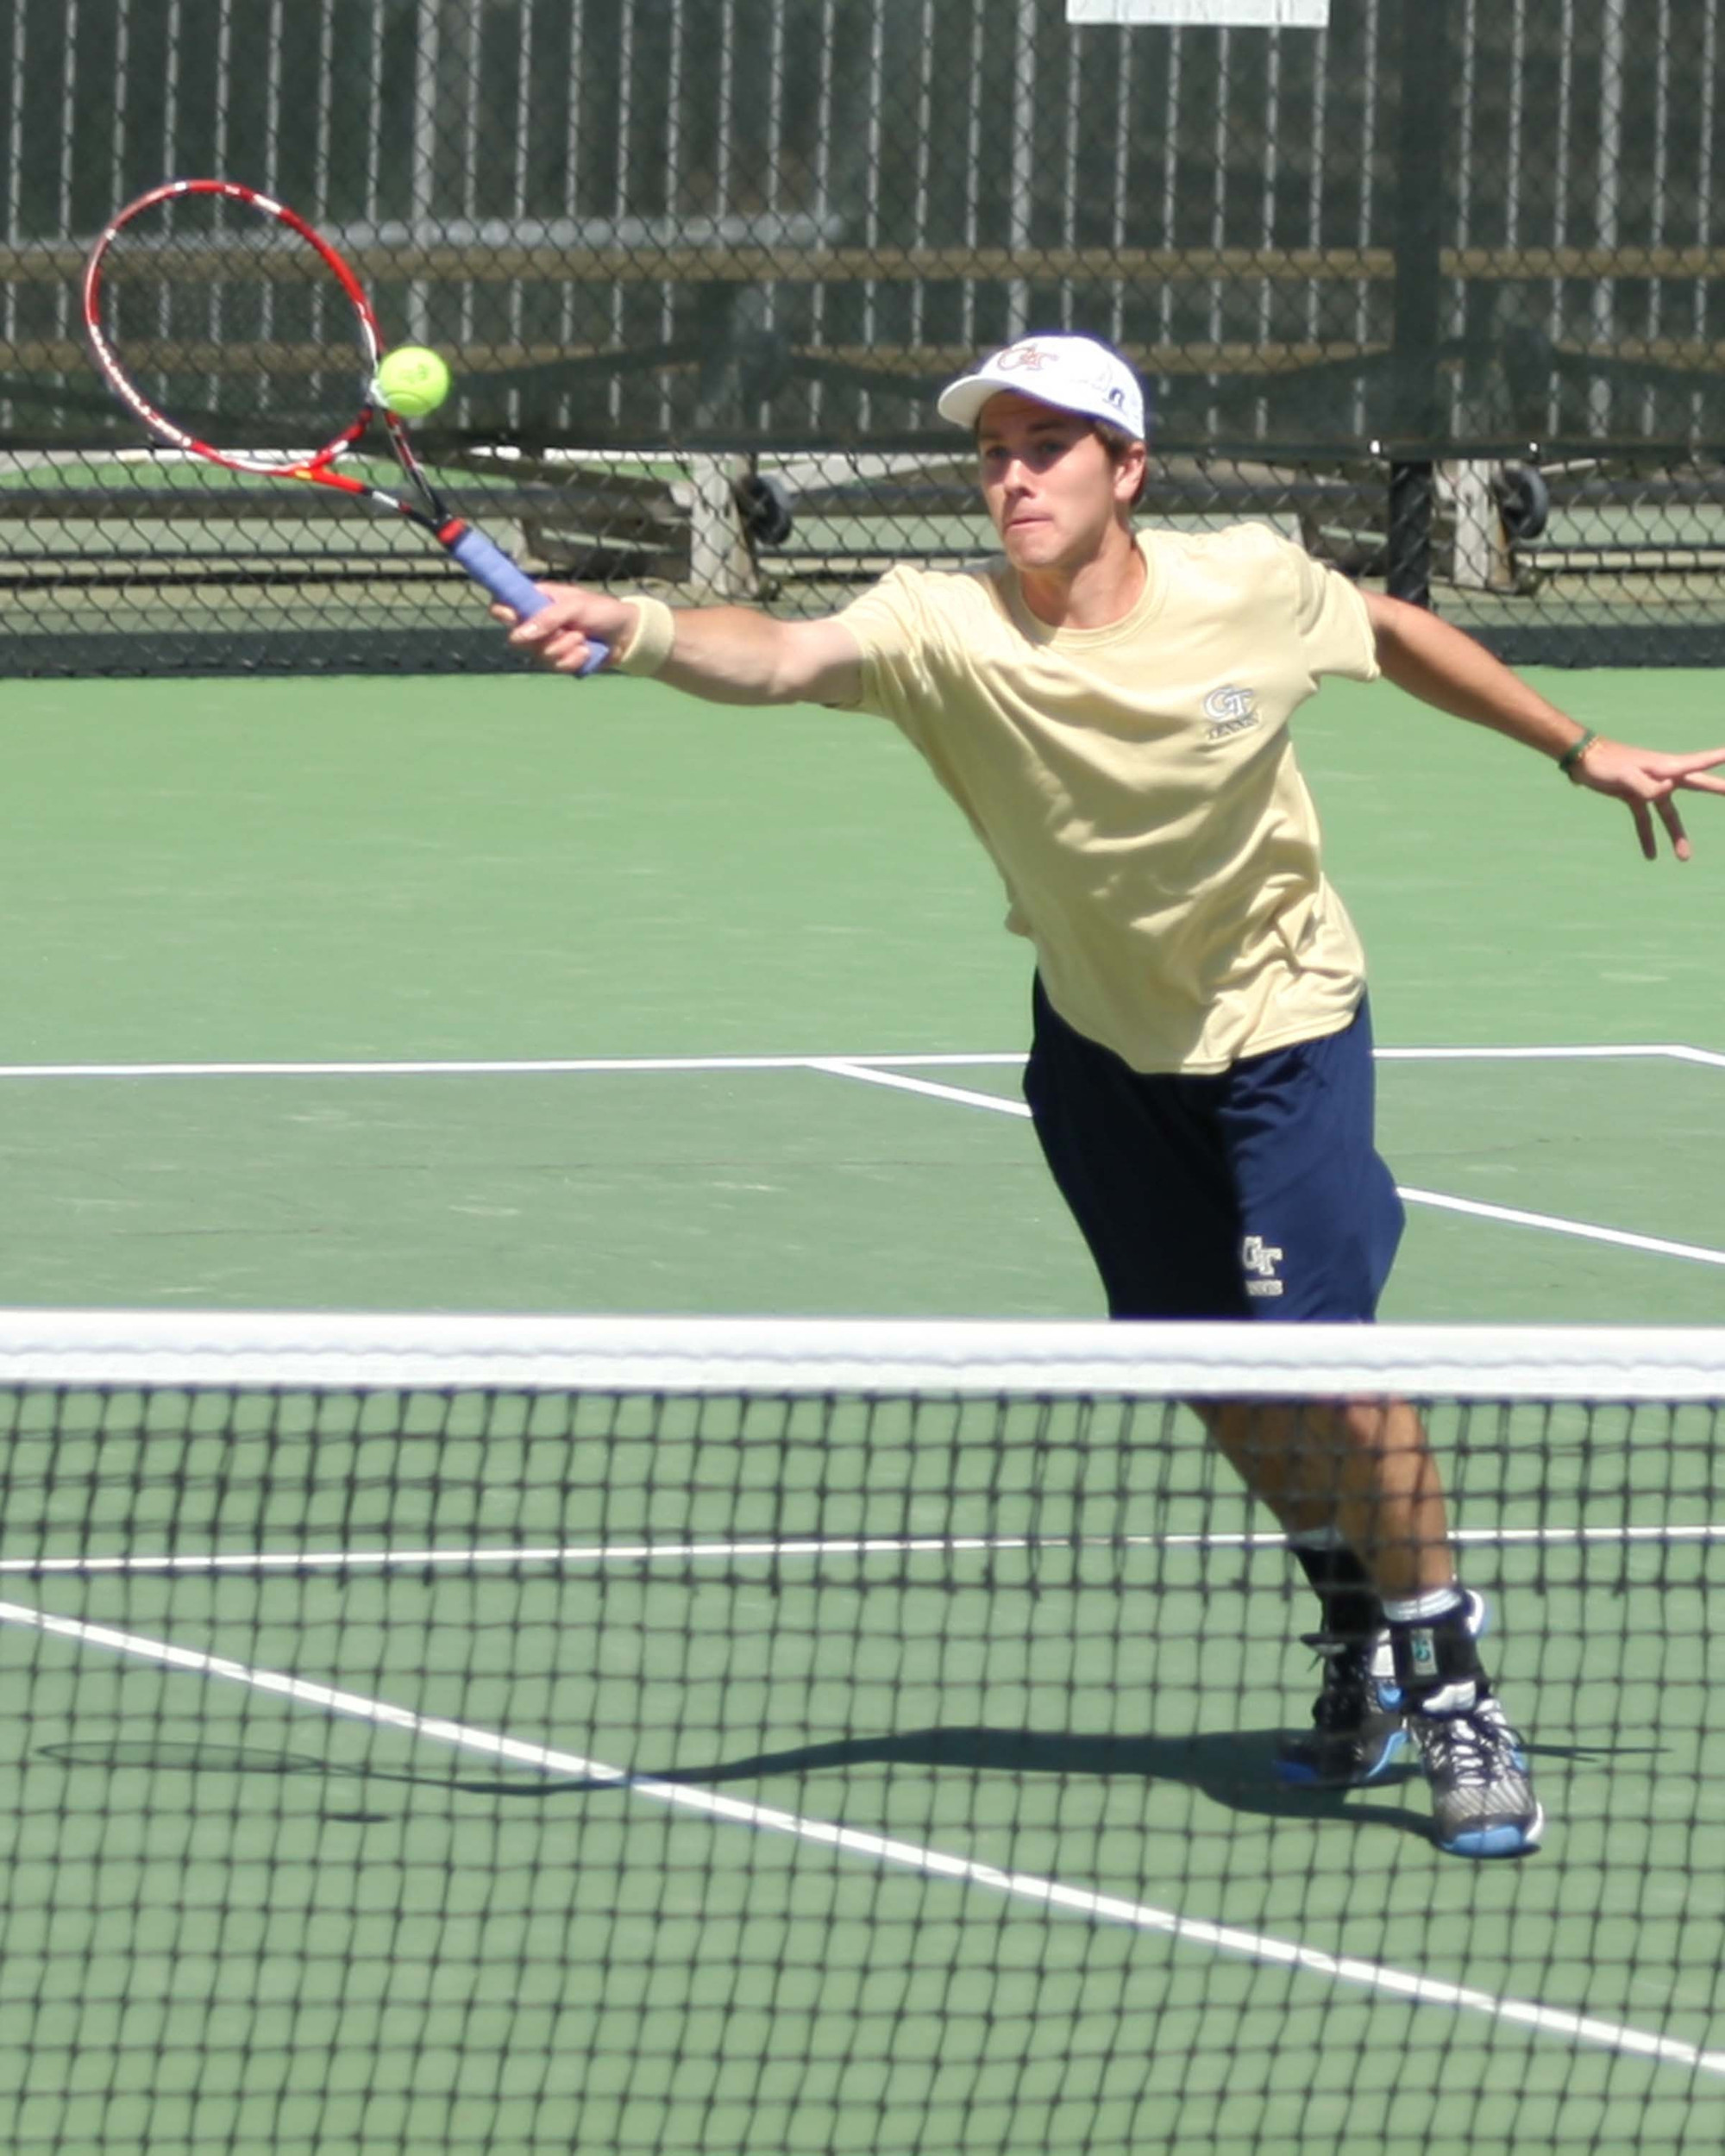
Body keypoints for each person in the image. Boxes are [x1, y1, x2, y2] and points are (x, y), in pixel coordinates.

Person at [498, 333, 1725, 1859]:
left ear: (1126, 469)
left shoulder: (1249, 584)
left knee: (1333, 1371)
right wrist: (640, 625)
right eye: (994, 452)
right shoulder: (940, 622)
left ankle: (1452, 1679)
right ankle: (1351, 1612)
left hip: (1284, 1029)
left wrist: (1578, 747)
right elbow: (784, 655)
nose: (1013, 477)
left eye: (1048, 448)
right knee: (1217, 1375)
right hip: (1097, 1047)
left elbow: (1394, 628)